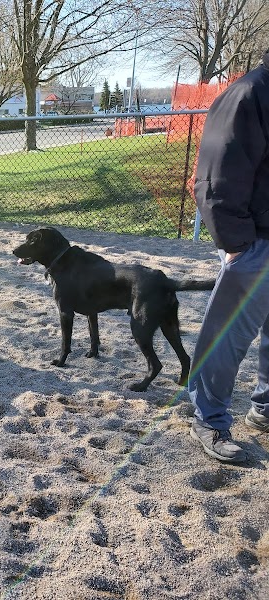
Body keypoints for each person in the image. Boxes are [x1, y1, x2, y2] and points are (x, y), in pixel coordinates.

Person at [188, 49, 269, 462]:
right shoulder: (249, 94)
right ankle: (209, 418)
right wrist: (238, 246)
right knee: (228, 335)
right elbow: (215, 176)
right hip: (256, 243)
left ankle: (264, 409)